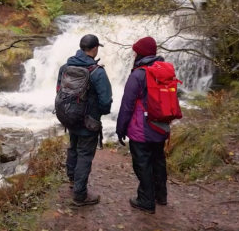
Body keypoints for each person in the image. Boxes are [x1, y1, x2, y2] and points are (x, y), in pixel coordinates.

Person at [116, 36, 170, 214]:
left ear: (141, 53)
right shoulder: (164, 71)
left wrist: (120, 129)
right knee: (158, 160)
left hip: (142, 129)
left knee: (143, 163)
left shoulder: (138, 74)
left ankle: (146, 200)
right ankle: (160, 196)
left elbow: (127, 105)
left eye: (136, 51)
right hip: (160, 125)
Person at [57, 34, 112, 206]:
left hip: (69, 116)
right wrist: (98, 114)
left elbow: (59, 91)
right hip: (89, 121)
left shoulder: (65, 67)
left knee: (73, 147)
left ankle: (73, 180)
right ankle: (80, 195)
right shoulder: (97, 72)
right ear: (95, 48)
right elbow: (106, 101)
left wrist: (70, 111)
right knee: (85, 155)